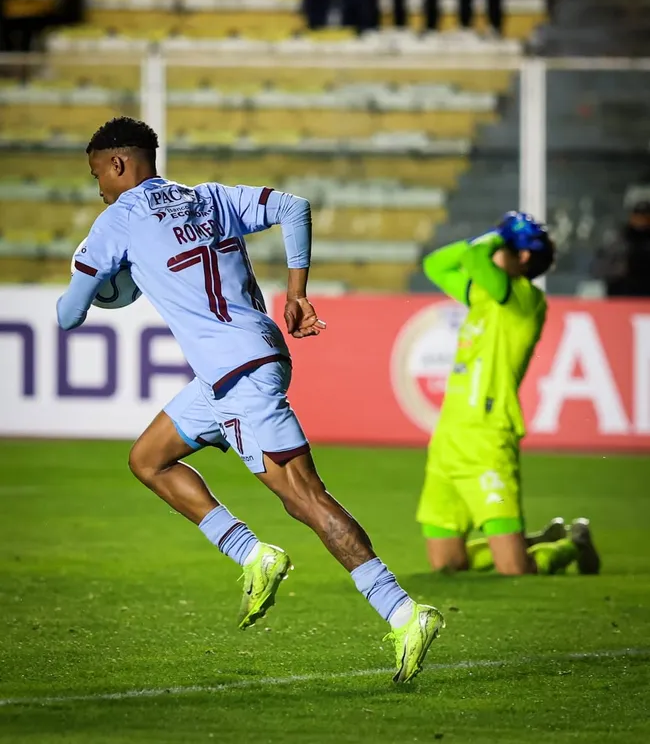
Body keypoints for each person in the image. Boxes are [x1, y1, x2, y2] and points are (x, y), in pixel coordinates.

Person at [56, 116, 444, 684]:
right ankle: (253, 555)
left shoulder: (116, 222)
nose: (98, 188)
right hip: (246, 358)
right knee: (148, 458)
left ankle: (403, 611)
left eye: (97, 175)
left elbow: (68, 317)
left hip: (237, 375)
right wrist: (297, 295)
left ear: (117, 164)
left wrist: (99, 284)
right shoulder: (209, 199)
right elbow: (294, 207)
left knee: (305, 498)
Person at [417, 212, 600, 576]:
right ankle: (525, 541)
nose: (494, 250)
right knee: (447, 564)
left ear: (524, 258)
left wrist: (492, 238)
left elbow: (473, 260)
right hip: (448, 440)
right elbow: (435, 264)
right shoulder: (484, 294)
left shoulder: (525, 299)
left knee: (515, 571)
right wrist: (495, 237)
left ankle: (571, 545)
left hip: (488, 439)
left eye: (503, 246)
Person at [591, 200, 650, 298]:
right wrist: (621, 269)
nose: (641, 220)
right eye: (638, 215)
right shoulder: (618, 240)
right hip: (622, 295)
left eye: (645, 215)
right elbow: (597, 269)